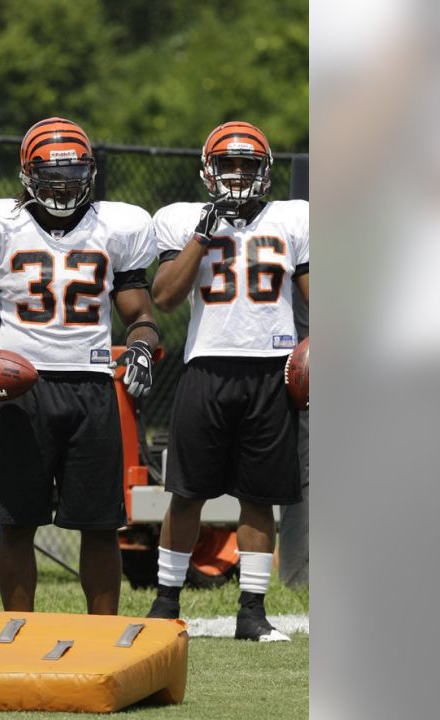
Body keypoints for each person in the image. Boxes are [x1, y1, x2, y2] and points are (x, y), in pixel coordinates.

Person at [0, 117, 158, 615]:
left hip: (93, 386)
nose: (63, 182)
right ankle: (18, 631)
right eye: (51, 172)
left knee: (101, 526)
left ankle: (103, 635)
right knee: (16, 523)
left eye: (74, 170)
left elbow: (140, 316)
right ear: (26, 173)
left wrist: (141, 347)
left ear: (91, 171)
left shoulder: (115, 228)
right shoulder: (0, 227)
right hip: (20, 392)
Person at [145, 121, 309, 641]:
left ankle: (252, 612)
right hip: (207, 365)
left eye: (248, 165)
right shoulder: (182, 220)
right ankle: (166, 601)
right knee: (188, 493)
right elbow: (165, 296)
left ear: (266, 173)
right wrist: (203, 233)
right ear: (207, 171)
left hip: (273, 368)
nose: (237, 175)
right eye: (228, 165)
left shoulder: (292, 219)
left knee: (260, 497)